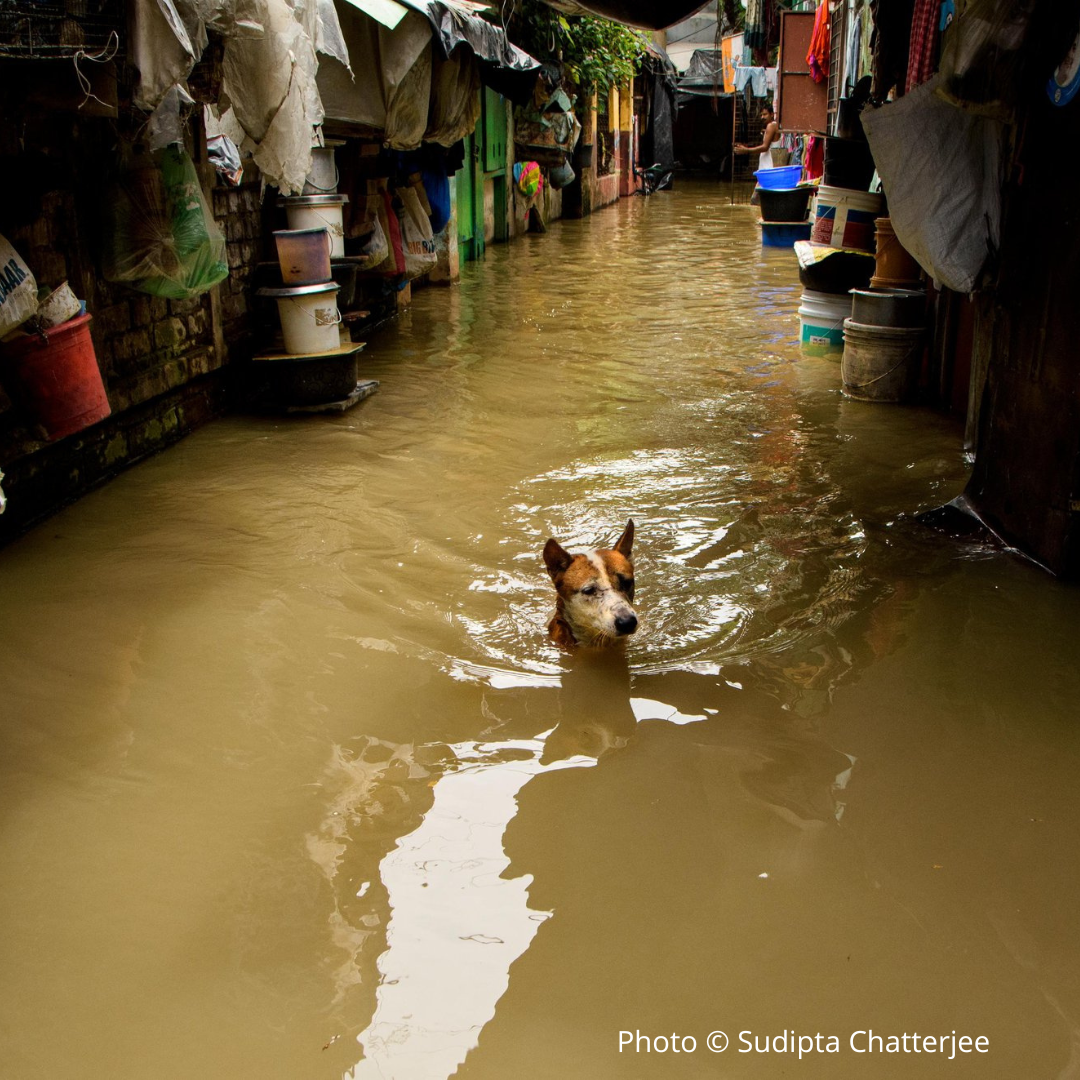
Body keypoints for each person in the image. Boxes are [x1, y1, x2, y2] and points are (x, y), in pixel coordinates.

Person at [735, 104, 780, 171]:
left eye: (765, 114)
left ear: (772, 114)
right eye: (761, 115)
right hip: (768, 165)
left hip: (769, 166)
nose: (762, 117)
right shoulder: (771, 125)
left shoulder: (771, 125)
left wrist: (747, 150)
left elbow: (765, 147)